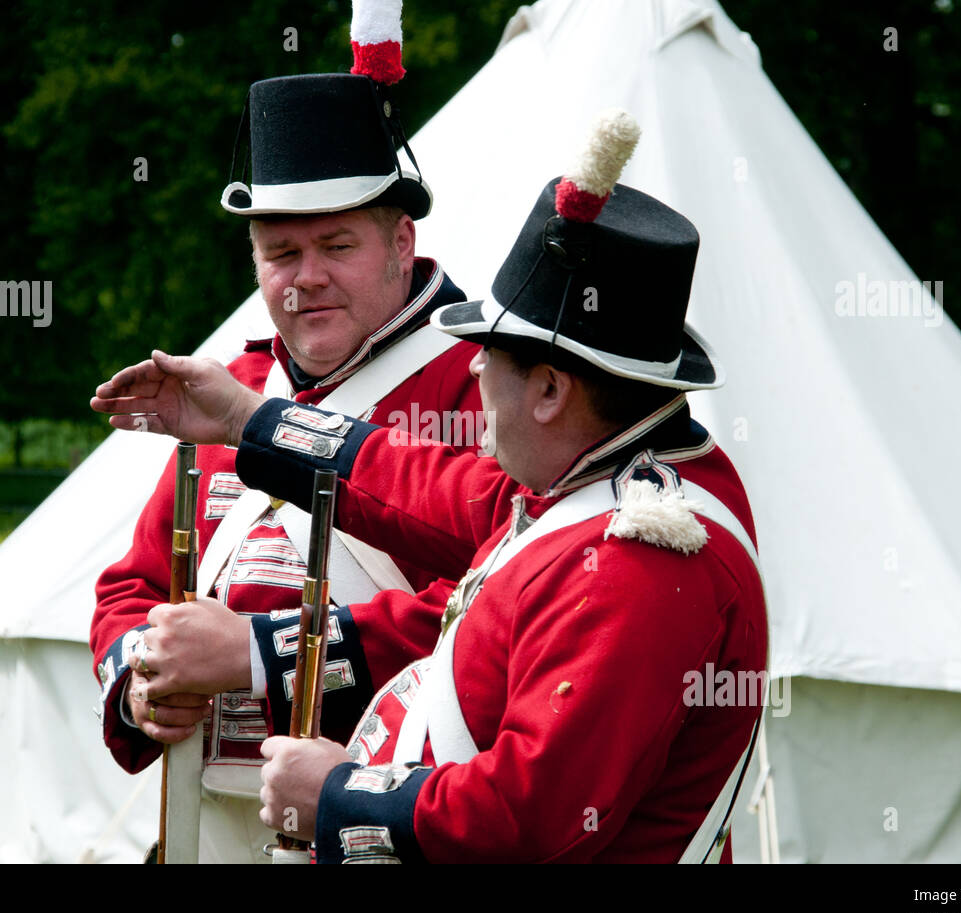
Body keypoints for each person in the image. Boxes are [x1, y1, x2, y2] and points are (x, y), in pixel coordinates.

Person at [91, 112, 769, 862]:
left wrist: (338, 792)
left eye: (493, 356)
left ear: (548, 390)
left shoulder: (636, 557)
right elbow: (421, 485)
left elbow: (533, 814)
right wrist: (251, 417)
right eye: (281, 249)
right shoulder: (584, 479)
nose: (474, 369)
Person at [89, 65, 484, 863]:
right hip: (212, 822)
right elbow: (131, 587)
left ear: (401, 243)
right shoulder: (232, 388)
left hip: (391, 822)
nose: (306, 277)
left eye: (336, 245)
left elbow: (488, 612)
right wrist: (144, 679)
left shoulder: (477, 386)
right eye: (280, 252)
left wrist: (258, 653)